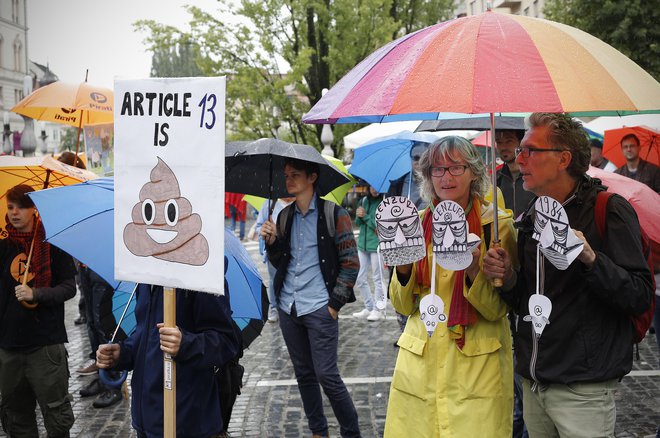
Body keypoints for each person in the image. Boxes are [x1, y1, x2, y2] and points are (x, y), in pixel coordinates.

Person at [483, 113, 654, 438]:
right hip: (535, 381)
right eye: (519, 150)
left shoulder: (608, 209)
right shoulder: (533, 214)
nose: (519, 159)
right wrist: (507, 277)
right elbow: (527, 300)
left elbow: (639, 294)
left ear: (563, 158)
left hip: (583, 387)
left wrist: (590, 258)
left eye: (530, 150)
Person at [384, 136, 517, 437]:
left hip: (476, 367)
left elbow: (499, 308)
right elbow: (403, 306)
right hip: (421, 363)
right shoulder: (414, 225)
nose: (446, 177)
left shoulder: (495, 227)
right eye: (438, 169)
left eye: (456, 167)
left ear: (473, 172)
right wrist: (403, 266)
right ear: (428, 176)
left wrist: (473, 269)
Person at [261, 157, 361, 438]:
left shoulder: (334, 214)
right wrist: (271, 243)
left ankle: (351, 432)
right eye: (286, 175)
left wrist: (334, 305)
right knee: (304, 375)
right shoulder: (284, 216)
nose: (289, 180)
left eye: (295, 175)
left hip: (319, 306)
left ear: (312, 177)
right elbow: (280, 261)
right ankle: (319, 431)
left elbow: (351, 262)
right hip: (288, 306)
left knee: (327, 375)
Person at [96, 283, 240, 438]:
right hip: (146, 420)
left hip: (186, 422)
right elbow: (145, 335)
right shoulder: (144, 276)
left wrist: (185, 343)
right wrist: (122, 353)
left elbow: (226, 342)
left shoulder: (202, 274)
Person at [0, 184, 77, 437]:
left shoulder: (53, 243)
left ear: (34, 209)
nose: (14, 212)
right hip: (9, 348)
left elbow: (69, 288)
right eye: (11, 207)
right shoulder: (3, 245)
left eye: (21, 207)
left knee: (57, 419)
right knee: (17, 418)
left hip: (45, 346)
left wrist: (37, 294)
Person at [494, 128, 532, 438]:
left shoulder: (534, 177)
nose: (502, 146)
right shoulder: (494, 181)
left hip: (532, 272)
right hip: (504, 272)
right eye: (499, 140)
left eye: (508, 139)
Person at [76, 266, 123, 408]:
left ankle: (112, 383)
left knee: (103, 323)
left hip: (103, 269)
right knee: (91, 323)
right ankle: (101, 377)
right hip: (85, 267)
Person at [254, 197, 295, 323]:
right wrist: (265, 230)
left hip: (293, 251)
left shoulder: (298, 203)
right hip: (274, 251)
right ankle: (274, 308)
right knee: (274, 280)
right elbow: (258, 226)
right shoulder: (270, 204)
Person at [352, 185, 385, 321]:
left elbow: (379, 227)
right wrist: (358, 215)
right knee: (360, 278)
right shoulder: (363, 201)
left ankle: (378, 310)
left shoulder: (383, 203)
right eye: (372, 186)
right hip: (362, 245)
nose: (374, 189)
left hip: (376, 246)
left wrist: (365, 216)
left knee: (377, 279)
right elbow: (358, 223)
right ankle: (369, 307)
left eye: (377, 186)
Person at [495, 129, 536, 218]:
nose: (503, 147)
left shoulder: (535, 175)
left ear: (521, 143)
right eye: (499, 142)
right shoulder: (495, 179)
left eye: (509, 141)